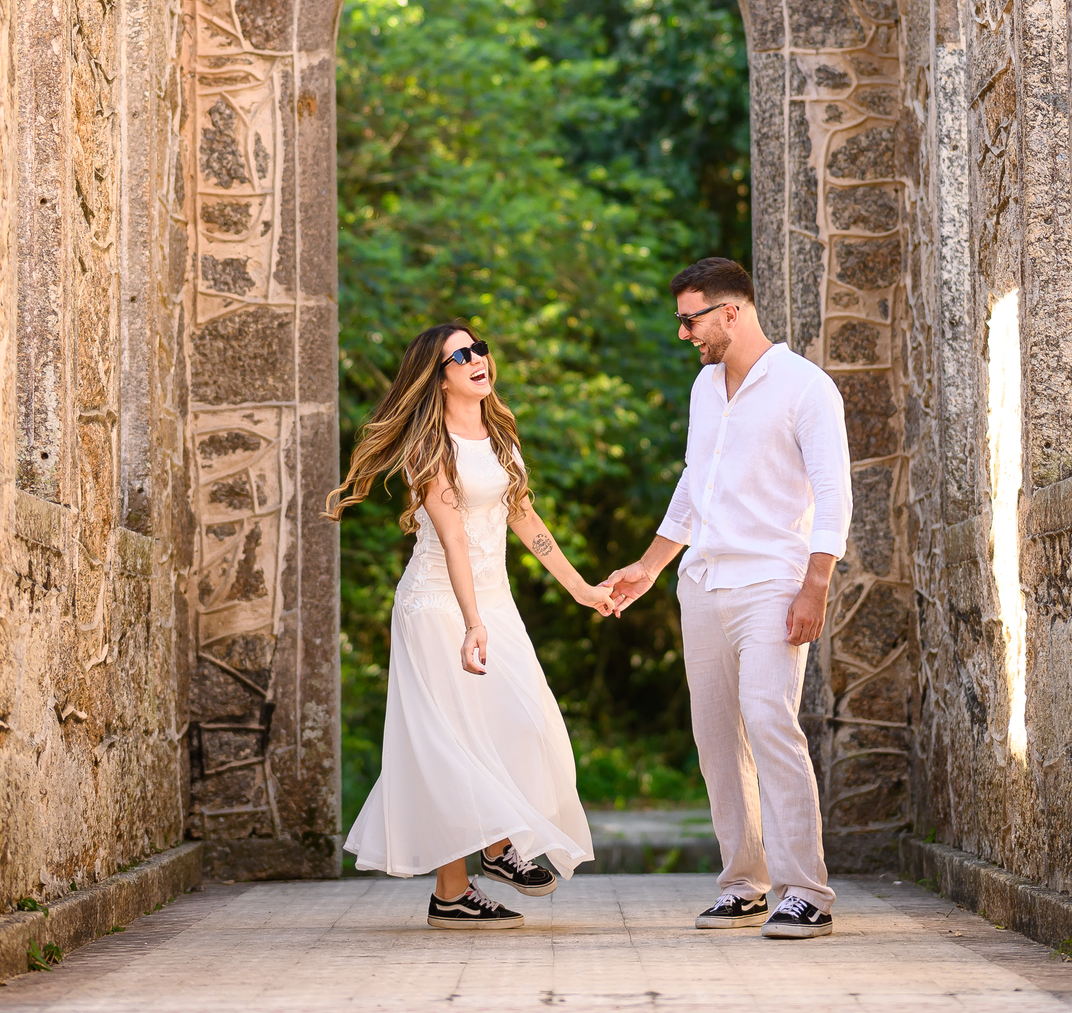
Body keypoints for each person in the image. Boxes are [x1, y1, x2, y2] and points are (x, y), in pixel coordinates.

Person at [328, 322, 614, 930]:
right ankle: (460, 886)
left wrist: (582, 589)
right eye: (460, 354)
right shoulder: (429, 449)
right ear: (438, 375)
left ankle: (488, 853)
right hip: (438, 606)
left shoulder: (499, 434)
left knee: (525, 721)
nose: (477, 358)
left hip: (492, 605)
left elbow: (525, 517)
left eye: (479, 347)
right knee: (450, 743)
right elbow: (454, 540)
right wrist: (471, 621)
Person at [605, 257, 851, 939]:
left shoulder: (806, 388)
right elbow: (696, 483)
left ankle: (807, 891)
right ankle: (744, 883)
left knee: (770, 723)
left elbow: (834, 494)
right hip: (704, 582)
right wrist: (654, 565)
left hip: (774, 581)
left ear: (731, 311)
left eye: (691, 319)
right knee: (716, 739)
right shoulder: (705, 389)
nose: (685, 334)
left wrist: (816, 585)